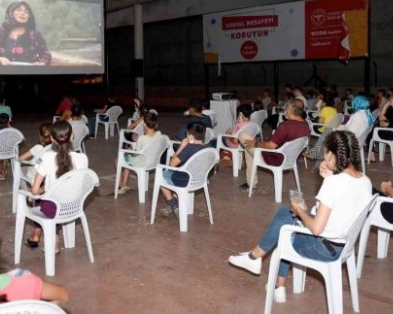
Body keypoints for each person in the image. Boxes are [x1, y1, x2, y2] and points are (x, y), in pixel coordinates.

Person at [228, 131, 372, 304]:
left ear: (333, 155)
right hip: (343, 244)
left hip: (323, 248)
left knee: (284, 225)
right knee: (285, 217)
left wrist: (300, 210)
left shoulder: (334, 184)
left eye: (325, 154)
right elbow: (343, 204)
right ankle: (275, 284)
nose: (323, 159)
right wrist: (329, 178)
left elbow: (317, 228)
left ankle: (256, 259)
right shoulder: (365, 180)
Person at [25, 121, 89, 250]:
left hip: (53, 209)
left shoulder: (47, 158)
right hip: (74, 206)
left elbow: (35, 190)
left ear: (52, 138)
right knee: (56, 196)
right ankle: (48, 237)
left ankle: (45, 237)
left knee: (40, 199)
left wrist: (45, 189)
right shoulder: (83, 158)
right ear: (72, 136)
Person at [239, 99, 310, 191]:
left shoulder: (285, 125)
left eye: (286, 108)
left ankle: (251, 183)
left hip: (274, 157)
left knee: (243, 136)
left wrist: (256, 143)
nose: (285, 111)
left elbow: (270, 146)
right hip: (290, 158)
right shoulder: (305, 125)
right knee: (249, 148)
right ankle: (250, 182)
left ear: (291, 110)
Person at [159, 122, 209, 217]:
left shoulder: (189, 148)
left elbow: (172, 164)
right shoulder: (207, 148)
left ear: (189, 136)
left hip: (185, 180)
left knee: (162, 175)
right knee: (175, 175)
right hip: (199, 180)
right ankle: (172, 206)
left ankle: (174, 205)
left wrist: (181, 147)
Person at [0, 1, 52, 66]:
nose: (22, 13)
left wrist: (42, 63)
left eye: (26, 12)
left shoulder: (35, 35)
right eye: (19, 10)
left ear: (29, 17)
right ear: (11, 13)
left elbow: (46, 54)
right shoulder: (0, 32)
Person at [117, 112, 162, 195]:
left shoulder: (142, 138)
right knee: (128, 157)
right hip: (155, 162)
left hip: (143, 162)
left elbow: (136, 153)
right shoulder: (160, 135)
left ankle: (123, 185)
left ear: (144, 125)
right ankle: (124, 183)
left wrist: (129, 151)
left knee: (119, 160)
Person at [368, 93, 393, 162]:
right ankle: (371, 148)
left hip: (391, 134)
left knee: (372, 131)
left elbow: (380, 118)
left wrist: (386, 105)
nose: (390, 100)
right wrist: (388, 125)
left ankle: (372, 155)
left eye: (392, 98)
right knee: (377, 127)